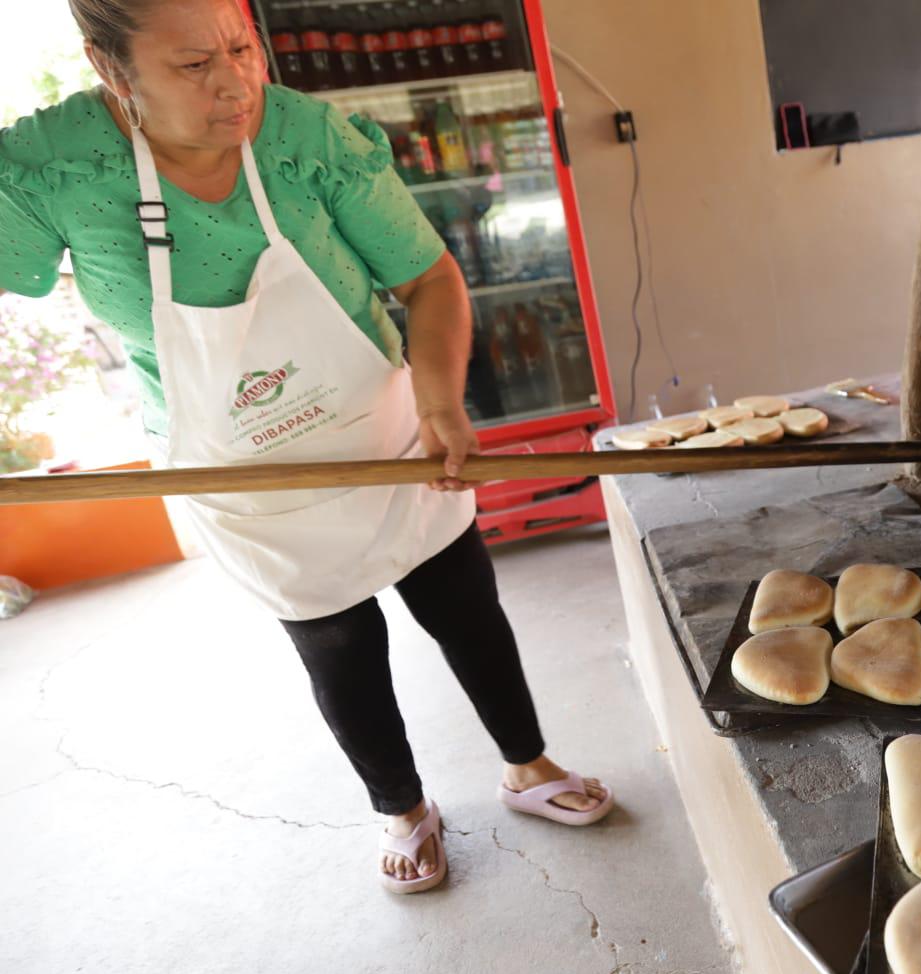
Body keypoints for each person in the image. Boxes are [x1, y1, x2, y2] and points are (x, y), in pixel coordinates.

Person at [0, 0, 611, 893]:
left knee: (463, 603)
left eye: (241, 48)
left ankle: (529, 764)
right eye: (193, 65)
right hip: (240, 466)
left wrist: (441, 402)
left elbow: (430, 279)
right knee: (335, 642)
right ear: (108, 64)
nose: (234, 86)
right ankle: (402, 809)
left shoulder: (307, 139)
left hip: (383, 433)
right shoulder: (51, 166)